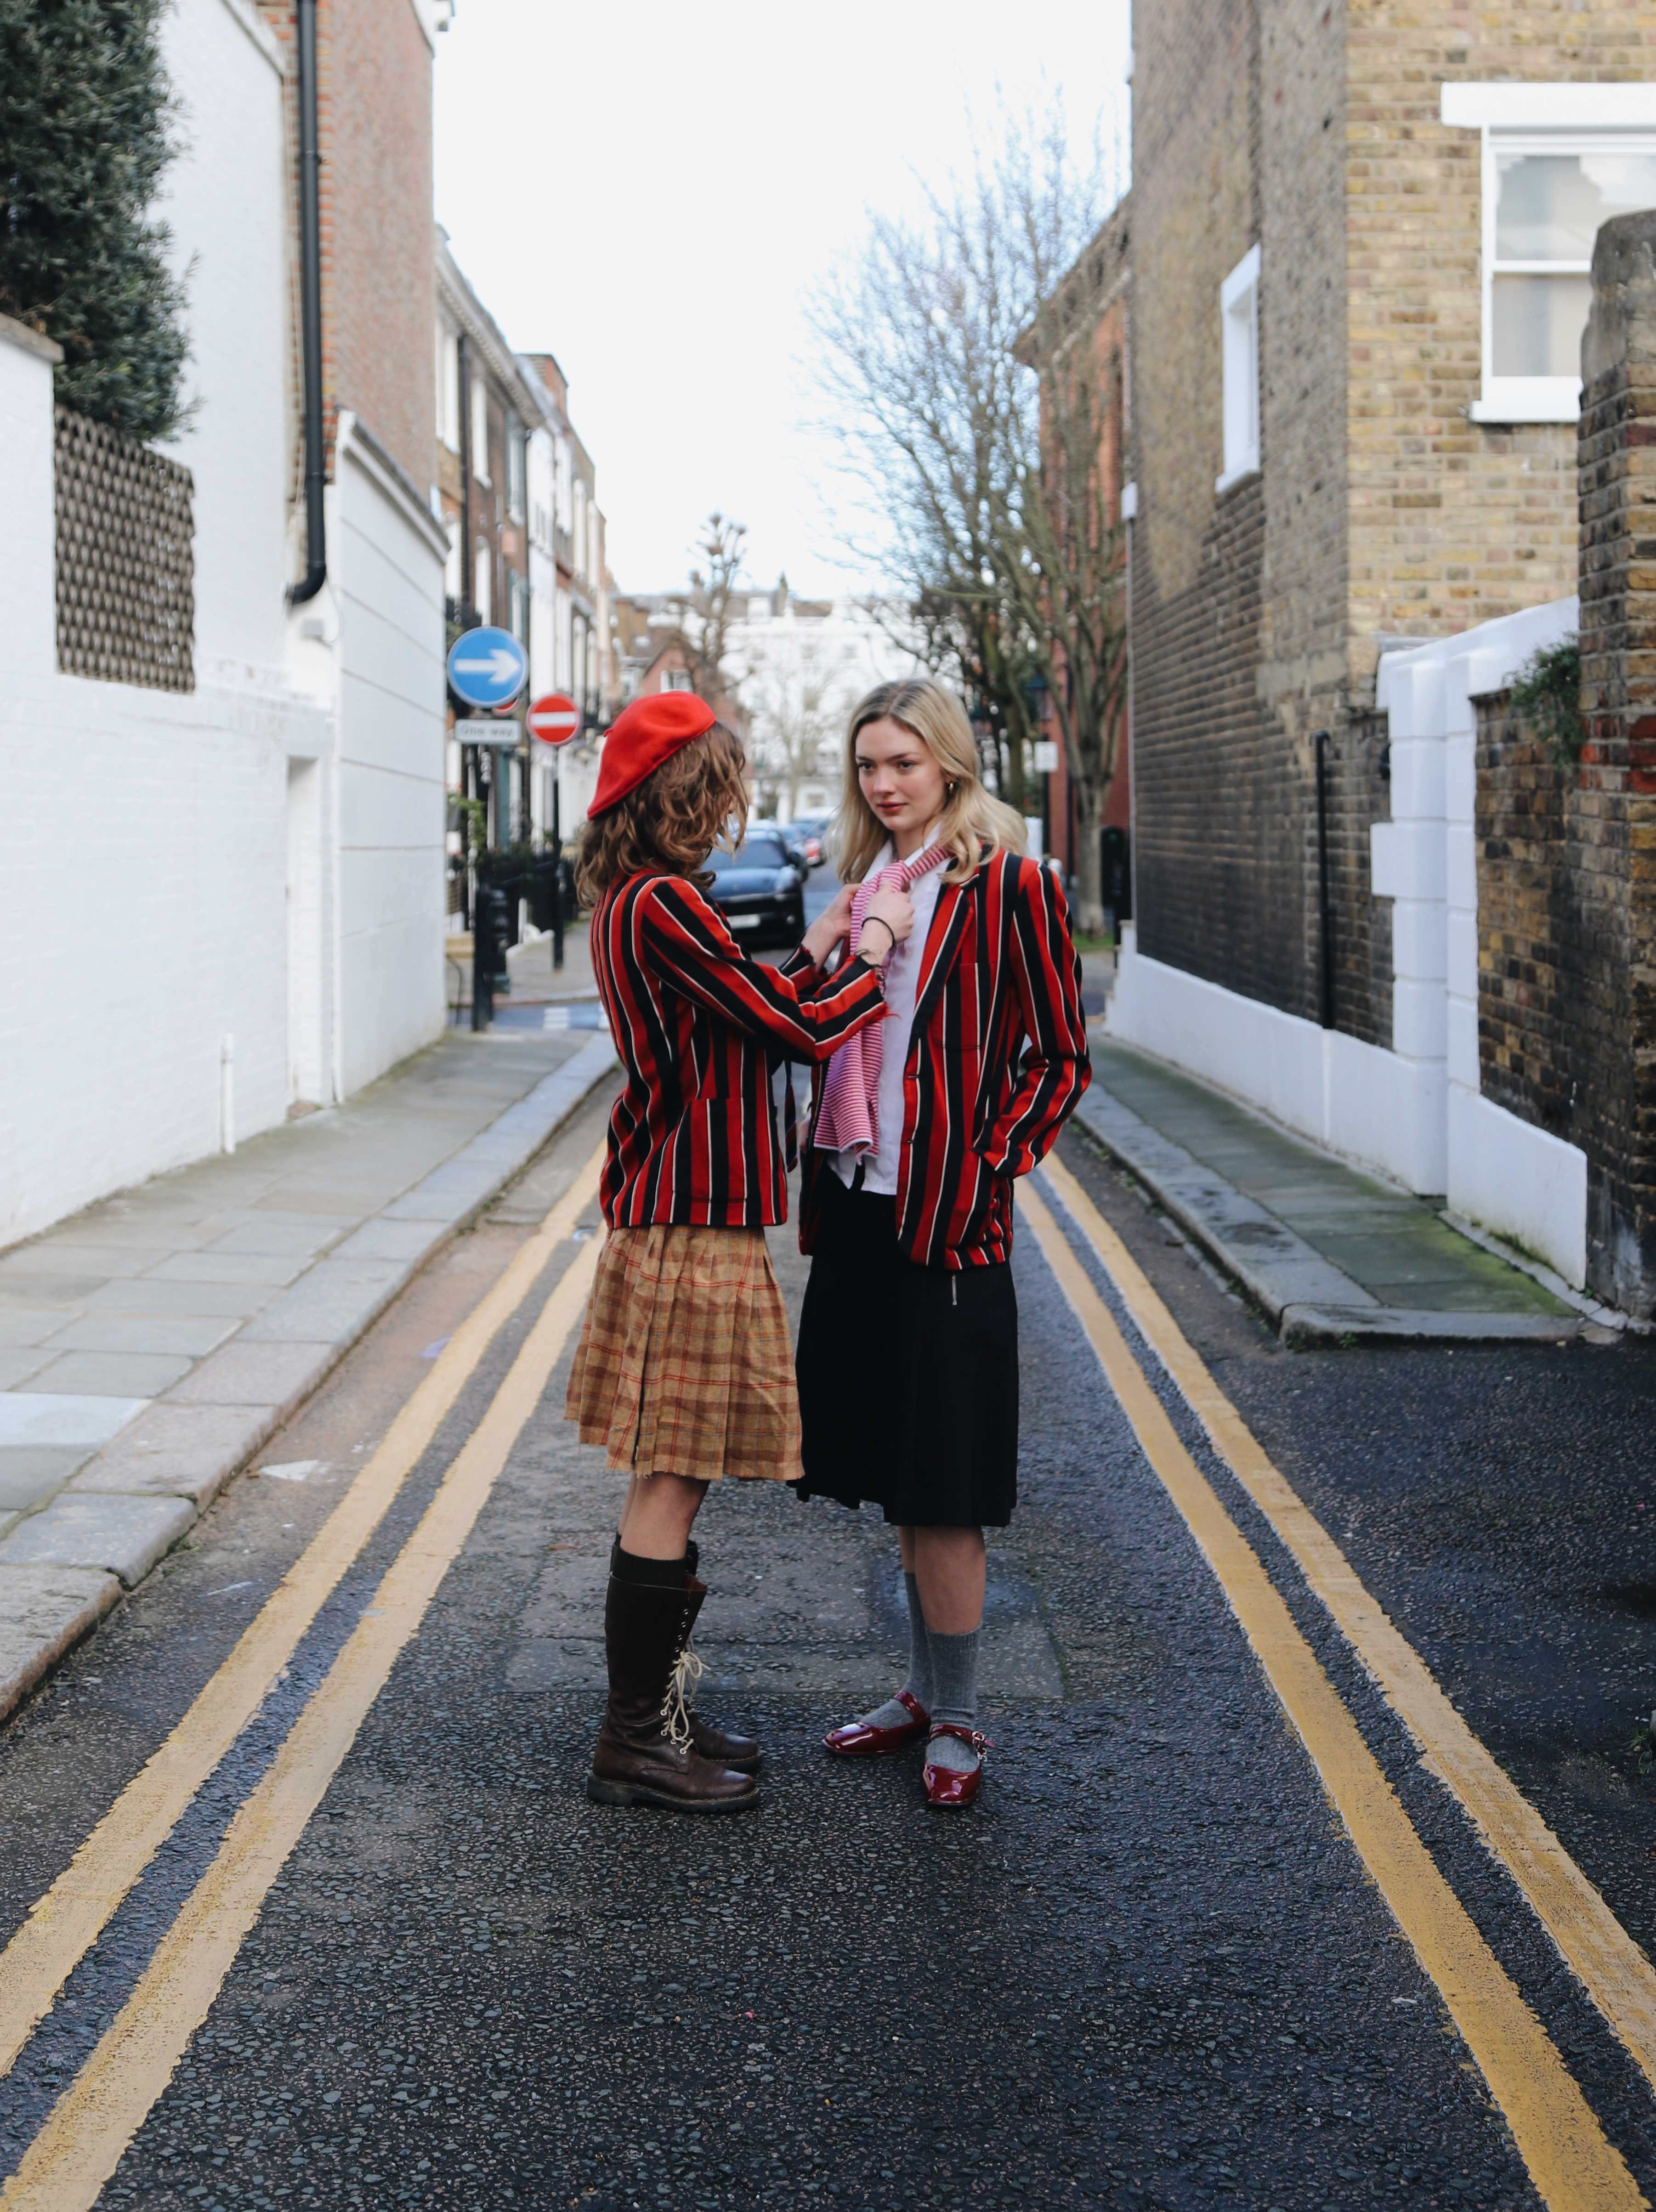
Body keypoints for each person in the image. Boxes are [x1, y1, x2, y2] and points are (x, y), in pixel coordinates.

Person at [564, 690, 914, 1814]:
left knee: (678, 1465)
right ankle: (635, 1740)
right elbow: (800, 1031)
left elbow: (751, 1011)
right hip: (687, 1216)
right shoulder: (663, 901)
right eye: (720, 784)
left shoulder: (636, 899)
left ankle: (655, 1716)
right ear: (683, 790)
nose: (732, 805)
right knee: (673, 1469)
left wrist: (816, 944)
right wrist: (872, 944)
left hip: (681, 1208)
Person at [794, 678, 1090, 1808]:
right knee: (892, 1464)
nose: (883, 783)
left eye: (903, 763)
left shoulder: (1009, 886)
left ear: (950, 766)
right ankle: (919, 1690)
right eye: (868, 764)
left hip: (947, 1218)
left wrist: (986, 1164)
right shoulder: (862, 887)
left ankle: (960, 1713)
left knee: (948, 1481)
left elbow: (1058, 1057)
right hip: (857, 1205)